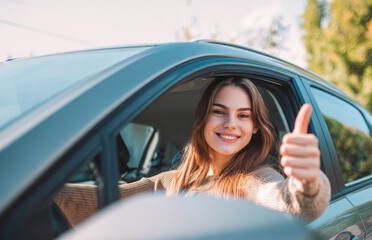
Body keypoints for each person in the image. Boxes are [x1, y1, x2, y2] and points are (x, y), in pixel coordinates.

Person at [55, 77, 331, 226]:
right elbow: (102, 201)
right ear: (203, 120)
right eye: (219, 112)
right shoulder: (173, 182)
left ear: (256, 126)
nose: (231, 124)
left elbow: (289, 202)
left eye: (243, 115)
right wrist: (29, 188)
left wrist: (306, 182)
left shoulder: (256, 180)